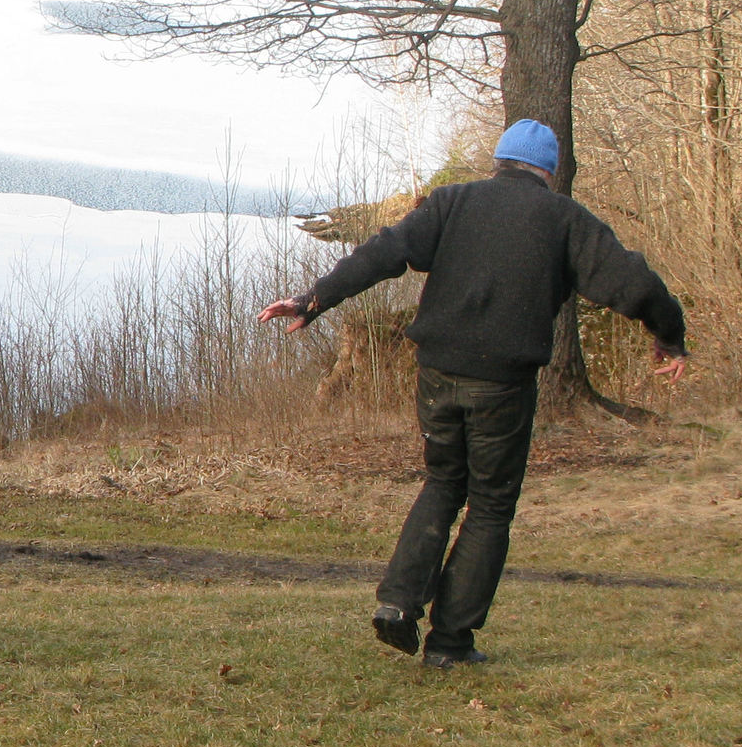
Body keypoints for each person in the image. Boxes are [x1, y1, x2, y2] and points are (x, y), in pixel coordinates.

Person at [260, 121, 688, 667]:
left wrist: (314, 299)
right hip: (503, 386)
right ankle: (450, 643)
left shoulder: (452, 202)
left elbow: (382, 252)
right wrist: (668, 337)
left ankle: (397, 602)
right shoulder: (565, 219)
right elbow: (633, 283)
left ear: (499, 160)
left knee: (443, 482)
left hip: (436, 372)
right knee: (489, 506)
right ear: (548, 171)